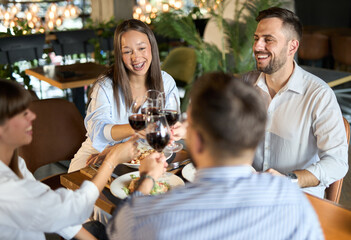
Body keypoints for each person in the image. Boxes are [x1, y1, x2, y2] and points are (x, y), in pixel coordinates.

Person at [106, 72, 323, 239]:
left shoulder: (145, 216)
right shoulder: (291, 199)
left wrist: (147, 179)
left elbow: (118, 229)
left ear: (197, 141)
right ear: (254, 139)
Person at [0, 79, 138, 240]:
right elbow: (71, 209)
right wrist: (111, 160)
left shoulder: (16, 163)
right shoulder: (6, 187)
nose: (32, 116)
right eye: (22, 113)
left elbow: (53, 212)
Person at [245, 7, 349, 199]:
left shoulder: (319, 95)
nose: (257, 47)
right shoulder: (244, 85)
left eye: (268, 40)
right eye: (256, 38)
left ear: (292, 46)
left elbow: (336, 162)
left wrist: (289, 179)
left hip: (297, 199)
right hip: (249, 193)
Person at [68, 19, 179, 173]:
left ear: (152, 47)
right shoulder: (105, 86)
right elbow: (100, 129)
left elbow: (168, 128)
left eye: (141, 48)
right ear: (120, 54)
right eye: (127, 51)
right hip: (98, 152)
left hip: (143, 154)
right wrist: (136, 129)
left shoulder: (166, 82)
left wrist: (174, 131)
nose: (136, 57)